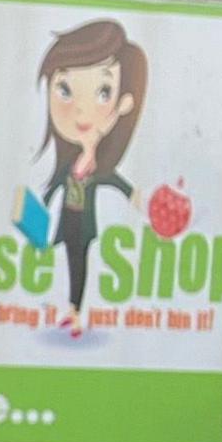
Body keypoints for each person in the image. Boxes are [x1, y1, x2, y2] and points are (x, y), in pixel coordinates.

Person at [37, 17, 145, 328]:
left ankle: (75, 310)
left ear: (123, 104)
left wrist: (136, 197)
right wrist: (38, 207)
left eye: (102, 93)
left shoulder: (99, 167)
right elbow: (55, 185)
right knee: (67, 261)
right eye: (65, 90)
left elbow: (114, 181)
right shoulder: (70, 164)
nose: (82, 112)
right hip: (67, 220)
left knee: (79, 264)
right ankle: (68, 309)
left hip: (84, 225)